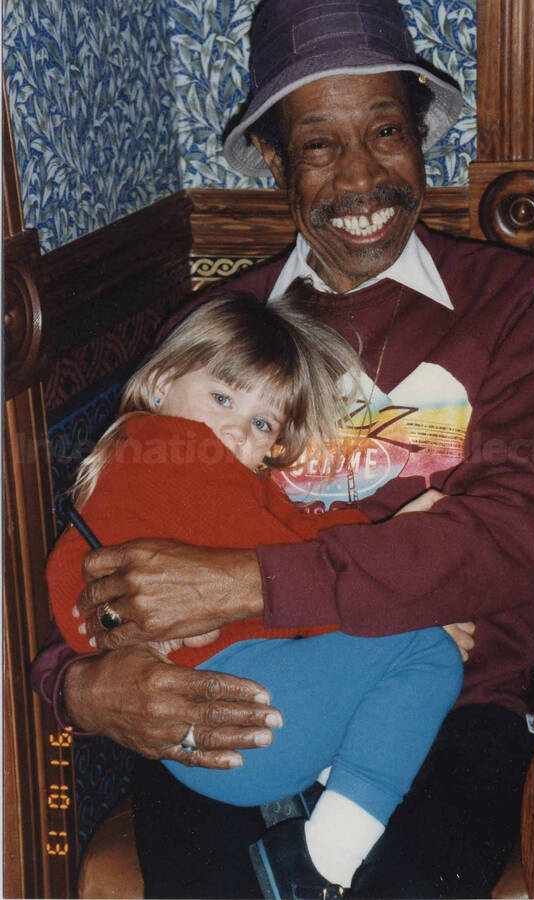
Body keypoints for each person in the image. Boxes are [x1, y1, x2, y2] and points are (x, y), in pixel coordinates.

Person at [32, 0, 534, 895]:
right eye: (322, 145)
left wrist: (253, 580)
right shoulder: (218, 336)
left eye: (386, 133)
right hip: (227, 694)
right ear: (274, 159)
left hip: (448, 703)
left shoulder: (516, 304)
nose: (364, 177)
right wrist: (82, 689)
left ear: (420, 138)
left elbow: (516, 532)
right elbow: (102, 538)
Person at [46, 284, 463, 896]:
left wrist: (389, 541)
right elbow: (289, 564)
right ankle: (325, 861)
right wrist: (393, 598)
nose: (236, 432)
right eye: (221, 397)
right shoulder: (167, 451)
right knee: (427, 652)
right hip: (244, 708)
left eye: (260, 422)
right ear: (160, 381)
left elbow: (297, 536)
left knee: (397, 661)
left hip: (225, 730)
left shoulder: (148, 464)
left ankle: (335, 796)